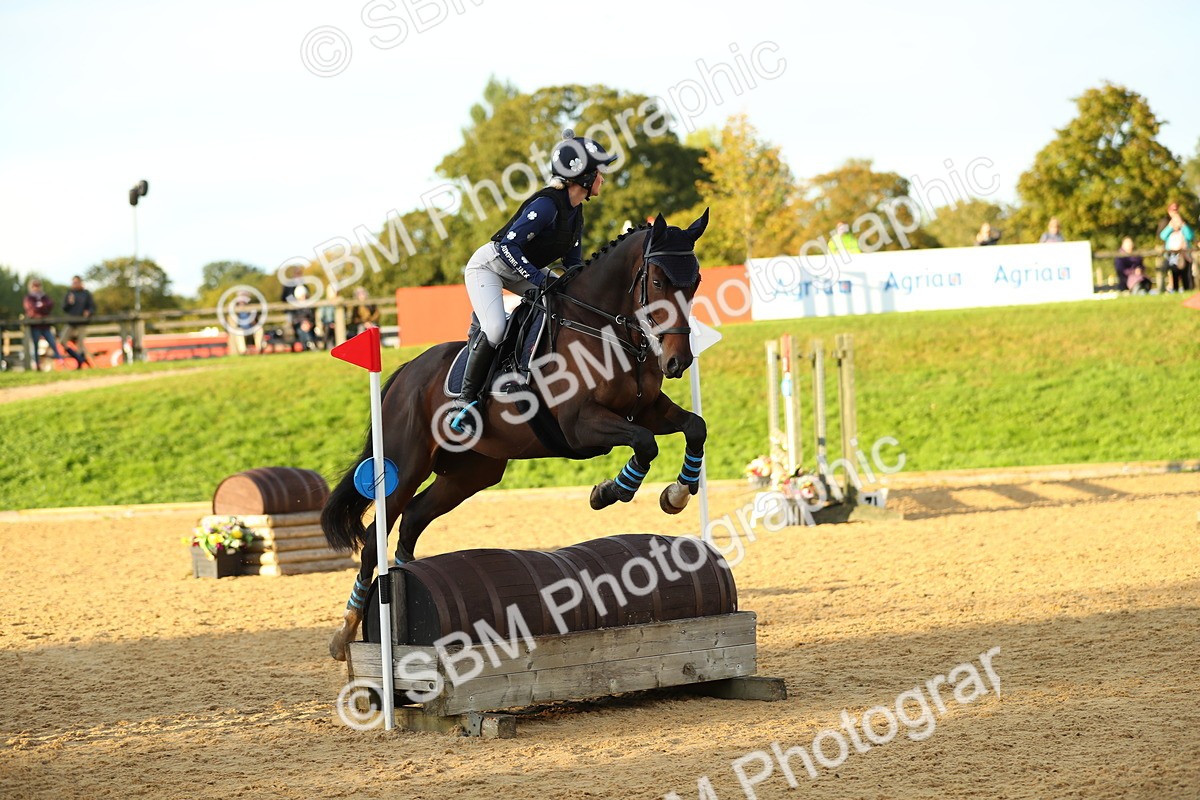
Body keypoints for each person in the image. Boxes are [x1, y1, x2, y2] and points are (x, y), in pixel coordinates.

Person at [447, 129, 617, 435]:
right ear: (584, 177)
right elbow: (507, 247)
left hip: (522, 269)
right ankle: (465, 399)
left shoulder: (575, 213)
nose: (603, 179)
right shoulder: (547, 206)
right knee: (496, 328)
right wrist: (539, 278)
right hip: (489, 266)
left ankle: (530, 372)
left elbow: (573, 263)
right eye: (600, 173)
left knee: (566, 301)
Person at [22, 279, 65, 371]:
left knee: (52, 343)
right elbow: (31, 308)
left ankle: (60, 360)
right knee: (35, 346)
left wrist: (40, 307)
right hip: (35, 326)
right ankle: (37, 365)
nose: (36, 288)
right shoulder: (29, 298)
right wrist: (41, 309)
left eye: (38, 285)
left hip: (45, 326)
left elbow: (50, 304)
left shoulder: (44, 296)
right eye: (34, 285)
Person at [61, 275, 96, 368]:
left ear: (80, 283)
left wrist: (89, 311)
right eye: (73, 282)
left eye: (76, 282)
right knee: (62, 340)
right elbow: (64, 308)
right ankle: (78, 358)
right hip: (71, 322)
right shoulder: (69, 294)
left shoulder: (86, 293)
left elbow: (92, 307)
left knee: (81, 344)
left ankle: (80, 365)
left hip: (82, 322)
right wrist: (69, 303)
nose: (75, 284)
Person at [1158, 203, 1194, 293]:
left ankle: (1188, 290)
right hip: (1172, 255)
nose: (1175, 212)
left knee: (1186, 274)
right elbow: (1162, 236)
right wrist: (1170, 226)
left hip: (1184, 254)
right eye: (1173, 210)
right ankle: (1174, 290)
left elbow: (1190, 236)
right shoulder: (1166, 222)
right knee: (1174, 274)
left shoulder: (1184, 222)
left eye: (1176, 210)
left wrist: (1182, 224)